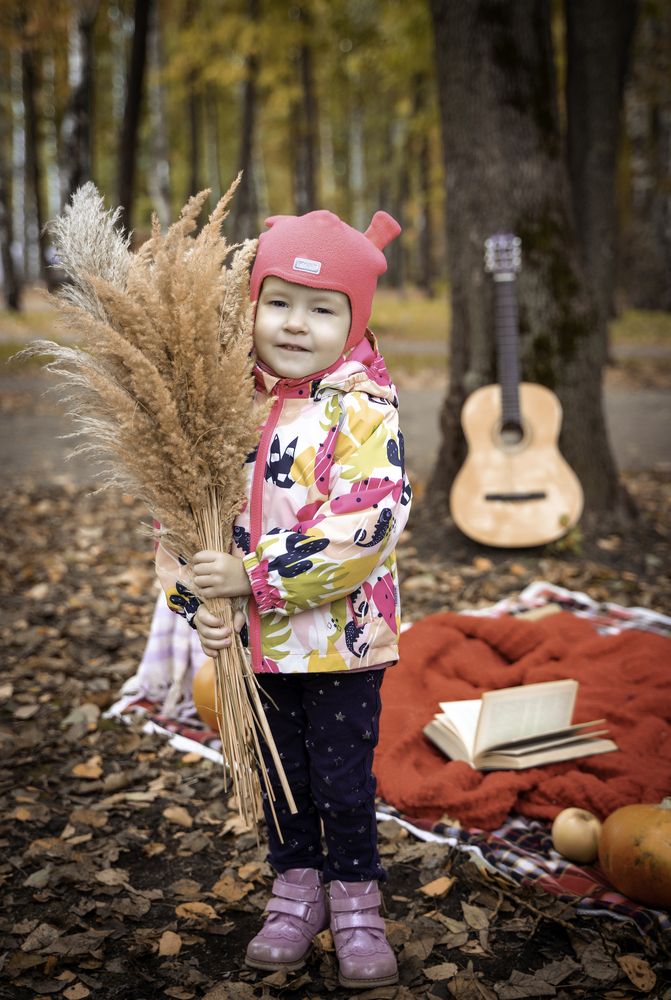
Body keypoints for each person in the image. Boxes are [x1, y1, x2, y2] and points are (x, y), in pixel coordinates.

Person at [156, 209, 411, 989]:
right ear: (251, 304)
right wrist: (195, 598)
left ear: (354, 318)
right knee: (280, 777)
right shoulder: (221, 404)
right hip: (253, 646)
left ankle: (356, 899)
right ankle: (295, 885)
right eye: (279, 302)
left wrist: (253, 576)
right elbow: (179, 512)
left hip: (339, 640)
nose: (296, 324)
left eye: (323, 307)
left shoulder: (362, 406)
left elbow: (366, 522)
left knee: (339, 776)